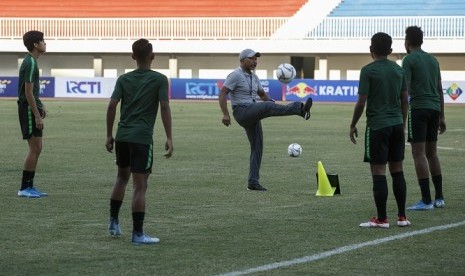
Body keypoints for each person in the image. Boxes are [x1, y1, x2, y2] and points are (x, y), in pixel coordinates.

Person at [105, 38, 173, 244]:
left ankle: (114, 222)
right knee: (140, 186)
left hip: (123, 136)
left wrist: (109, 134)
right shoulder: (160, 79)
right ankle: (138, 234)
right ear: (153, 56)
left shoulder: (123, 79)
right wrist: (169, 137)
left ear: (133, 56)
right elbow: (164, 107)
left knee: (121, 178)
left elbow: (111, 106)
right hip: (142, 139)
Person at [219, 48, 313, 191]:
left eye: (256, 59)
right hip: (242, 111)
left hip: (252, 112)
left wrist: (272, 105)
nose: (254, 61)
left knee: (257, 147)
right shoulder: (235, 75)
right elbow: (223, 93)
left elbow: (263, 96)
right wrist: (225, 114)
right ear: (242, 60)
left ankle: (253, 182)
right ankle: (300, 109)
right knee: (268, 106)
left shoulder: (255, 78)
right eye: (251, 59)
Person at [349, 32, 410, 228]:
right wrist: (402, 123)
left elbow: (361, 102)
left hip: (377, 126)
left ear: (370, 50)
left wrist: (352, 124)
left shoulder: (368, 71)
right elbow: (404, 100)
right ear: (391, 51)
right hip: (396, 125)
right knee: (397, 170)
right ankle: (402, 217)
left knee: (378, 171)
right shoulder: (398, 70)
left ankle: (382, 219)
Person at [403, 26, 446, 211]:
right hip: (435, 108)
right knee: (432, 153)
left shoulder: (409, 60)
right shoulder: (433, 60)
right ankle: (439, 198)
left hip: (419, 109)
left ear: (407, 42)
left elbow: (405, 90)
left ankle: (426, 200)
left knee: (418, 153)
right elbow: (439, 89)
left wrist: (402, 118)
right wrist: (442, 115)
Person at [17, 30, 48, 198]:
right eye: (42, 41)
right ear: (36, 44)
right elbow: (27, 92)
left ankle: (29, 186)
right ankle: (24, 187)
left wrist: (40, 105)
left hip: (31, 107)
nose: (45, 43)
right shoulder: (30, 62)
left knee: (37, 148)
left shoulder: (32, 61)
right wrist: (36, 115)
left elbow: (32, 93)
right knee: (34, 148)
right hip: (27, 109)